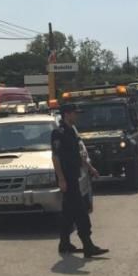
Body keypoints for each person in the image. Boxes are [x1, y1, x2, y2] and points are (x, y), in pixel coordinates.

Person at [52, 104, 108, 258]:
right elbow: (55, 157)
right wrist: (61, 179)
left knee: (68, 212)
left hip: (74, 176)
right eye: (74, 113)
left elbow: (79, 155)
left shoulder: (72, 132)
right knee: (81, 211)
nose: (77, 116)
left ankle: (64, 243)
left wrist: (90, 168)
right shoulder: (58, 133)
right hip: (67, 178)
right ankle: (88, 245)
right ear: (66, 114)